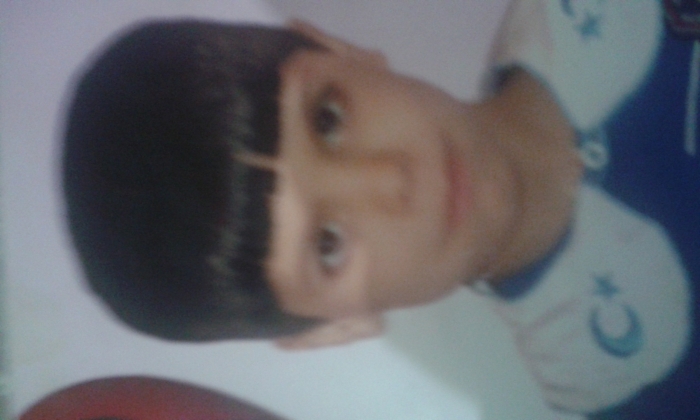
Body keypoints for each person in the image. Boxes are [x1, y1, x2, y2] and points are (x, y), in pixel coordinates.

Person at [62, 1, 698, 418]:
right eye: (327, 245)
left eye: (328, 118)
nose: (393, 179)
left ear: (336, 46)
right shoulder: (612, 381)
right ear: (333, 328)